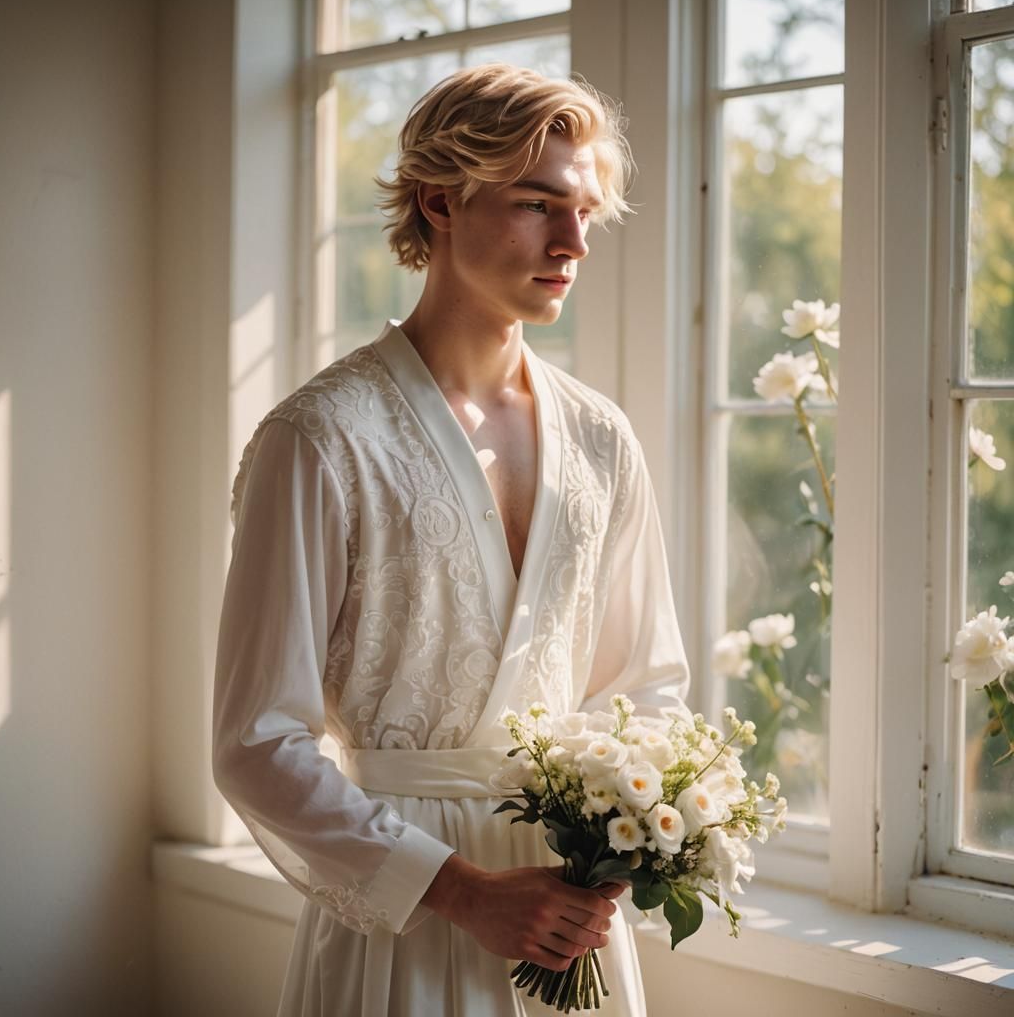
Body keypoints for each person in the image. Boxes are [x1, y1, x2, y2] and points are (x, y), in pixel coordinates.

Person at [212, 63, 690, 1016]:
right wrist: (462, 892)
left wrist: (612, 861)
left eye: (586, 210)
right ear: (439, 200)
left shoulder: (602, 439)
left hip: (572, 919)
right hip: (406, 918)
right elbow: (257, 742)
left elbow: (647, 688)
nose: (573, 240)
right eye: (536, 204)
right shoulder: (320, 439)